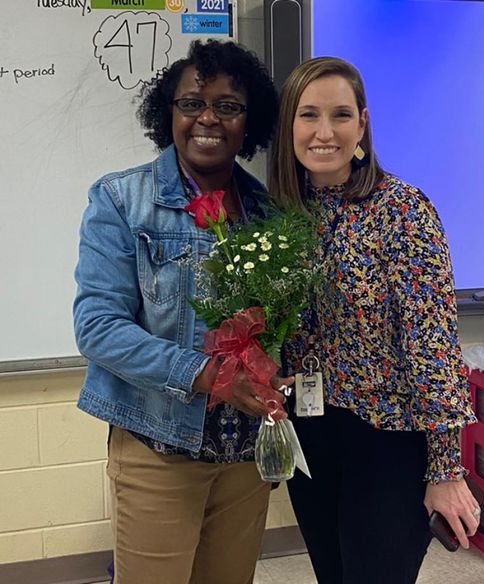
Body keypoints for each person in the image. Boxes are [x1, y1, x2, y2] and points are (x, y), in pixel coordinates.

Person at [73, 39, 291, 584]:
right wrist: (207, 374)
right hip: (159, 448)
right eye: (192, 103)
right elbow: (98, 328)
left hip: (244, 458)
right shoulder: (121, 200)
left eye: (228, 106)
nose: (208, 119)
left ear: (249, 121)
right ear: (167, 112)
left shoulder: (267, 212)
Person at [271, 56, 479, 584]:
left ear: (362, 124)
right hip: (312, 432)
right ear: (288, 125)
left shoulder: (402, 211)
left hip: (389, 439)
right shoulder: (282, 215)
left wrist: (446, 468)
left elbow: (433, 345)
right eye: (309, 115)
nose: (324, 132)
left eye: (340, 115)